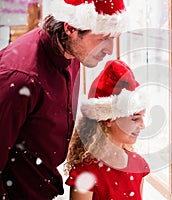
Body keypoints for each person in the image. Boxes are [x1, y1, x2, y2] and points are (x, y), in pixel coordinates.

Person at [0, 0, 128, 199]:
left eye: (113, 38)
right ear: (70, 28)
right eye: (103, 38)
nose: (109, 49)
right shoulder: (21, 77)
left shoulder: (72, 53)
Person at [65, 60, 150, 200]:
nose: (142, 125)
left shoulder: (138, 165)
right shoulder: (87, 172)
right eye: (135, 118)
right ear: (109, 119)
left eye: (142, 117)